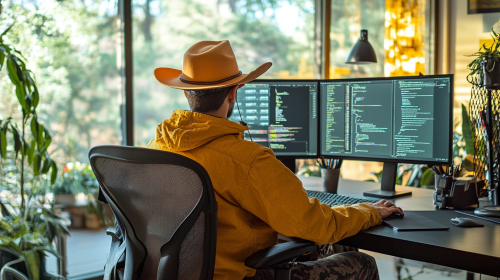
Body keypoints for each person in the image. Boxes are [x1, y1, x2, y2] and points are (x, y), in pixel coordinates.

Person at [148, 40, 404, 280]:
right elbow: (314, 225)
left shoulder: (155, 147)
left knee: (338, 243)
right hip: (240, 274)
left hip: (171, 271)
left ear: (186, 94)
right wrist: (369, 211)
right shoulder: (247, 159)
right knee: (363, 264)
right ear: (233, 94)